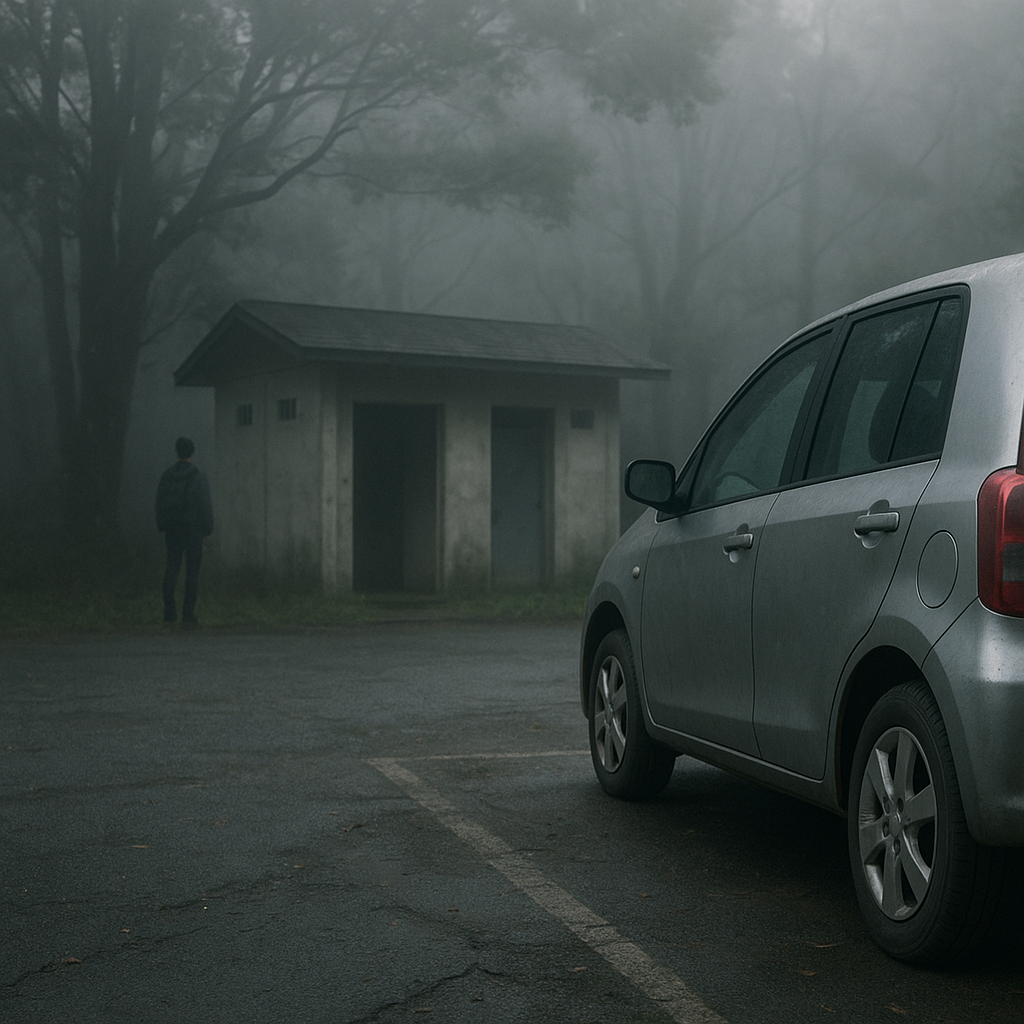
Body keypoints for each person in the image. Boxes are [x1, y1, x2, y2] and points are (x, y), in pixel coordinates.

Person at [155, 437, 214, 626]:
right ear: (193, 453)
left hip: (172, 530)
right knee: (192, 573)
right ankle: (188, 616)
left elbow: (159, 502)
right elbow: (205, 506)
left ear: (176, 452)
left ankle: (169, 614)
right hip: (193, 530)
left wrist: (163, 524)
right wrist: (207, 529)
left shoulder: (167, 476)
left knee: (171, 568)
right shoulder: (198, 477)